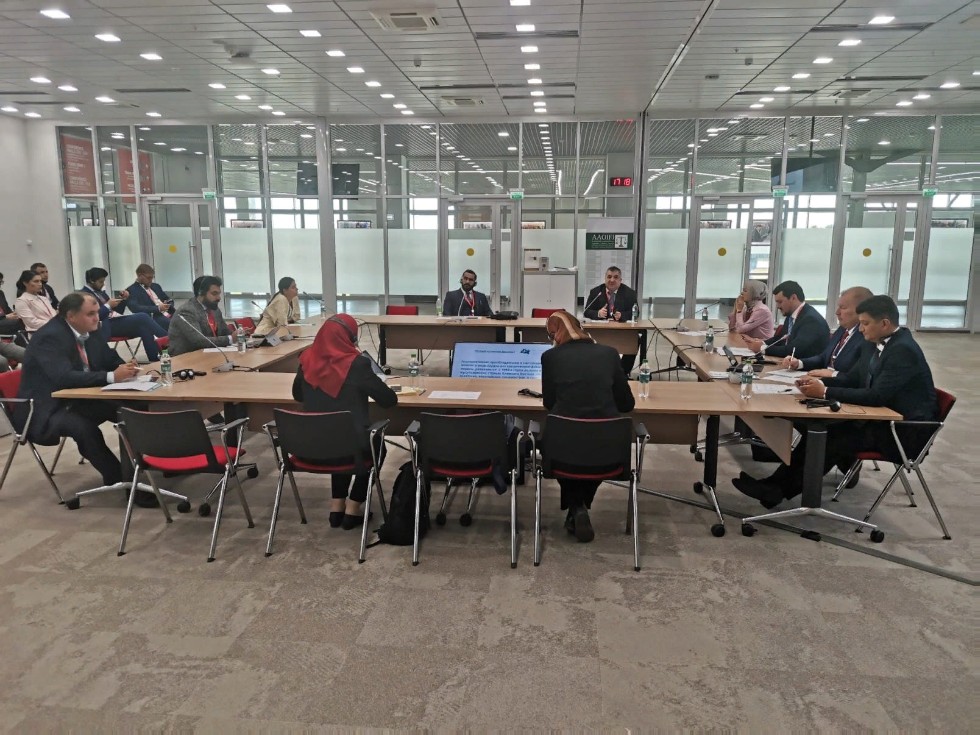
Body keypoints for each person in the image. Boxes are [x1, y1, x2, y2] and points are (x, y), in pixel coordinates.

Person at [733, 295, 937, 508]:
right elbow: (854, 378)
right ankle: (774, 486)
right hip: (881, 420)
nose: (861, 329)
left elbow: (877, 396)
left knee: (827, 435)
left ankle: (778, 490)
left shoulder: (902, 349)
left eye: (865, 323)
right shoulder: (876, 342)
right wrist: (816, 383)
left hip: (903, 432)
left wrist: (825, 391)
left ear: (885, 324)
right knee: (817, 429)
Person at [13, 293, 157, 507]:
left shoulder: (91, 329)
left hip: (79, 397)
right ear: (71, 316)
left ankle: (154, 462)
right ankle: (121, 481)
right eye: (90, 314)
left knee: (130, 410)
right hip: (47, 407)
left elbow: (108, 358)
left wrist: (127, 368)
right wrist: (111, 376)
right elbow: (63, 377)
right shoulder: (49, 337)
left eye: (97, 312)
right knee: (84, 429)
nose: (97, 318)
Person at [292, 314, 397, 529]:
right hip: (348, 448)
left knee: (335, 437)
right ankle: (353, 507)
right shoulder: (357, 364)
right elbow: (388, 401)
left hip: (310, 448)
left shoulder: (306, 359)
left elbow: (298, 395)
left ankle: (337, 506)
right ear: (350, 338)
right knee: (374, 445)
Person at [541, 311, 635, 543]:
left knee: (568, 445)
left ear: (555, 334)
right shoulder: (610, 354)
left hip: (561, 451)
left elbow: (549, 403)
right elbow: (626, 404)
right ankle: (579, 507)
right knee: (591, 452)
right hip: (608, 451)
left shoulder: (550, 357)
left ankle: (576, 507)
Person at [781, 286, 873, 377]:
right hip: (821, 380)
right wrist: (799, 363)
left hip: (837, 384)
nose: (837, 312)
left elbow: (857, 377)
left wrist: (833, 374)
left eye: (843, 308)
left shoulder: (867, 337)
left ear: (861, 310)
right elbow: (824, 357)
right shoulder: (842, 329)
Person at [81, 267, 168, 362]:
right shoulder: (83, 295)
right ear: (91, 281)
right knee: (143, 316)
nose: (103, 284)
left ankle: (155, 359)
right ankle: (169, 341)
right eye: (101, 282)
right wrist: (107, 306)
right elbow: (94, 317)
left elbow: (117, 311)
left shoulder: (101, 293)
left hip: (114, 321)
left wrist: (122, 299)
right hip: (104, 326)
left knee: (144, 328)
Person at [742, 280, 829, 359]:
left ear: (793, 298)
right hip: (787, 362)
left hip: (805, 367)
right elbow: (782, 338)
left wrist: (762, 348)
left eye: (780, 302)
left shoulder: (811, 320)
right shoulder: (791, 315)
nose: (777, 306)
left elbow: (793, 350)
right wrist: (762, 343)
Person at [583, 266, 640, 375]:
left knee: (635, 339)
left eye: (615, 277)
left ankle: (623, 372)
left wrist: (622, 315)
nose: (612, 280)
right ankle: (596, 371)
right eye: (609, 277)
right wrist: (598, 313)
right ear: (605, 278)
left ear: (620, 280)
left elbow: (636, 313)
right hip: (600, 331)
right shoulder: (596, 292)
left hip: (622, 330)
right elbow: (587, 311)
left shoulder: (630, 293)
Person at [168, 275, 231, 356]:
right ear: (201, 293)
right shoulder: (187, 311)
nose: (219, 298)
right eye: (214, 294)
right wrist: (230, 339)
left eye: (219, 294)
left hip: (211, 354)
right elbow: (199, 341)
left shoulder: (214, 309)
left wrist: (240, 335)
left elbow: (225, 331)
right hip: (186, 358)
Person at [124, 264, 174, 330]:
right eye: (148, 278)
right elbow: (135, 308)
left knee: (185, 319)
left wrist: (168, 304)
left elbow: (167, 299)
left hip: (169, 313)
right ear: (139, 276)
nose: (151, 280)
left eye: (152, 277)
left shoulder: (156, 286)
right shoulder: (131, 290)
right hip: (153, 317)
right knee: (175, 325)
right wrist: (158, 308)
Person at [0, 272, 25, 337]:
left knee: (24, 318)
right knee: (20, 322)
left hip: (5, 320)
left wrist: (14, 314)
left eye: (1, 282)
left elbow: (6, 308)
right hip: (2, 320)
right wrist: (6, 317)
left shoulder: (1, 293)